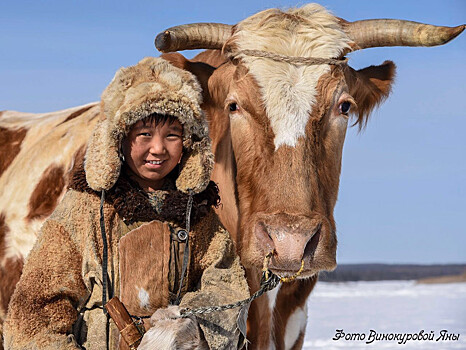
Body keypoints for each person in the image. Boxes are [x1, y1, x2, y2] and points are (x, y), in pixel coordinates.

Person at [4, 57, 250, 350]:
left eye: (172, 135)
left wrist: (190, 326)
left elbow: (227, 288)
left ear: (188, 143)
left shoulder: (197, 214)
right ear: (120, 138)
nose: (158, 148)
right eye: (144, 134)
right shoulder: (84, 209)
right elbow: (36, 309)